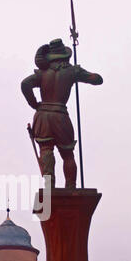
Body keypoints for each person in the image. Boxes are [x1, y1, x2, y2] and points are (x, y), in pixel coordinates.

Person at [21, 38, 103, 189]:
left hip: (43, 115)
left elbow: (25, 84)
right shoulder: (71, 71)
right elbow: (97, 79)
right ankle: (70, 186)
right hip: (60, 115)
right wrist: (81, 73)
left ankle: (49, 186)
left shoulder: (43, 73)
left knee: (46, 150)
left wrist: (35, 104)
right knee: (67, 154)